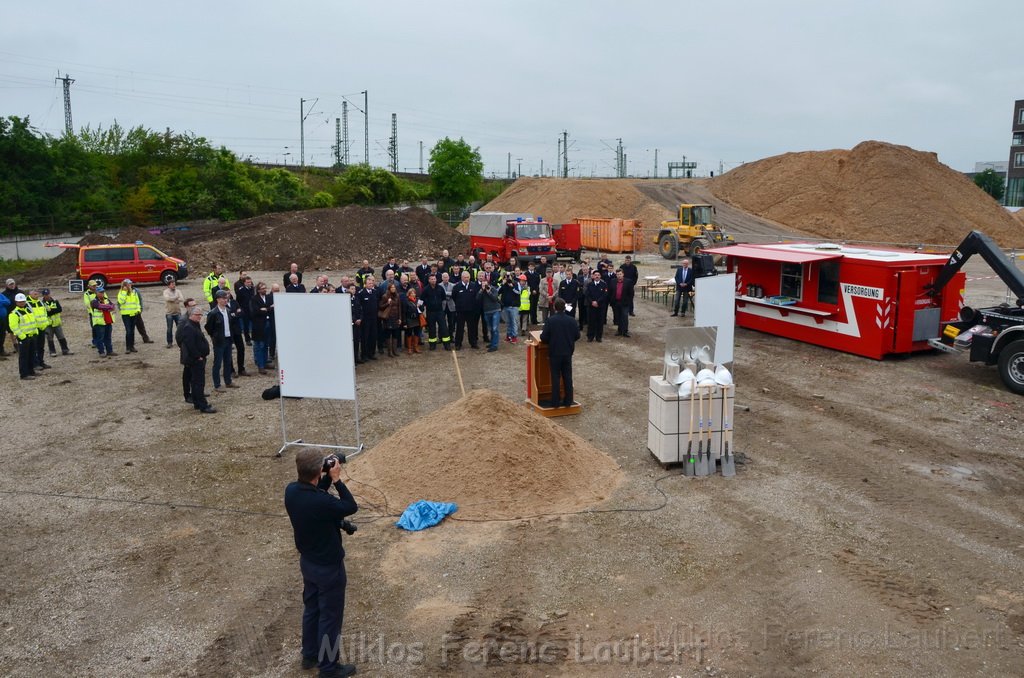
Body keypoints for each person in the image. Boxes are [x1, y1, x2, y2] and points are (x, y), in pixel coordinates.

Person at [284, 448, 358, 677]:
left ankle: (310, 654)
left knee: (312, 608)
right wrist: (336, 479)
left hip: (308, 562)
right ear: (318, 471)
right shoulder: (322, 502)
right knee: (330, 617)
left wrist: (324, 478)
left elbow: (316, 495)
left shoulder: (292, 491)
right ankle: (329, 667)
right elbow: (349, 506)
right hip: (329, 568)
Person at [539, 298, 580, 408]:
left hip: (555, 352)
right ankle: (568, 401)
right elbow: (577, 336)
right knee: (567, 377)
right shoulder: (571, 320)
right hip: (567, 352)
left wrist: (551, 341)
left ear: (554, 308)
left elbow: (543, 337)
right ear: (564, 307)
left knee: (555, 377)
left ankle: (555, 402)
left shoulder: (551, 321)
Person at [179, 305, 216, 413]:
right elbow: (190, 344)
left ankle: (197, 402)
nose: (200, 317)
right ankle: (203, 405)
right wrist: (198, 356)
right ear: (191, 315)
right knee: (198, 383)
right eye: (198, 315)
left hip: (198, 358)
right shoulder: (188, 327)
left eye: (201, 314)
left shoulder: (194, 325)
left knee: (196, 382)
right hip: (195, 360)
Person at [205, 290, 239, 392]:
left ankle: (228, 381)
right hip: (219, 341)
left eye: (226, 298)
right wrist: (215, 336)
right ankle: (217, 384)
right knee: (218, 363)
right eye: (223, 298)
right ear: (218, 299)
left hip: (228, 339)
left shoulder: (227, 311)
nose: (225, 300)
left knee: (228, 361)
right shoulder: (213, 313)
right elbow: (209, 328)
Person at [8, 293, 39, 379]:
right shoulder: (14, 313)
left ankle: (31, 371)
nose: (22, 303)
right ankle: (24, 374)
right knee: (24, 356)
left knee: (32, 354)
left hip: (32, 335)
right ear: (16, 302)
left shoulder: (28, 309)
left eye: (23, 301)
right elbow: (14, 327)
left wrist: (35, 331)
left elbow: (33, 321)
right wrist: (22, 336)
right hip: (24, 337)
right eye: (20, 302)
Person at [420, 274, 451, 351]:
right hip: (430, 312)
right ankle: (432, 345)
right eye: (431, 279)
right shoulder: (425, 289)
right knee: (431, 329)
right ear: (429, 280)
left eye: (434, 279)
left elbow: (444, 298)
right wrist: (420, 308)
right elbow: (421, 300)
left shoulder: (440, 288)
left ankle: (447, 344)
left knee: (444, 328)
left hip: (440, 312)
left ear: (436, 279)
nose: (433, 280)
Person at [452, 270, 480, 350]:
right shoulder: (457, 287)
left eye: (468, 277)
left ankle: (473, 343)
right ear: (461, 278)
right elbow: (454, 297)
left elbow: (476, 297)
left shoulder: (473, 285)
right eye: (465, 277)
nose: (466, 279)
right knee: (460, 328)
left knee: (472, 328)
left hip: (471, 311)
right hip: (461, 311)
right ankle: (458, 344)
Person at [41, 289, 73, 357]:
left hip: (57, 323)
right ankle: (52, 351)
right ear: (43, 295)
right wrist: (53, 311)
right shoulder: (41, 304)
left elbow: (59, 309)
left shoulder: (55, 301)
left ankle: (65, 350)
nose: (47, 296)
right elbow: (45, 313)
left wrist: (51, 311)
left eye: (48, 294)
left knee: (61, 337)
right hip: (48, 324)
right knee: (50, 338)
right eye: (45, 295)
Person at [250, 282, 273, 374]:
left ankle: (265, 361)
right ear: (258, 290)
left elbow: (272, 307)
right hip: (259, 325)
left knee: (266, 344)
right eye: (263, 288)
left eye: (265, 288)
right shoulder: (254, 299)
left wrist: (264, 309)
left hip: (268, 323)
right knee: (260, 345)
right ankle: (261, 365)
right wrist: (268, 309)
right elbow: (255, 312)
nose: (265, 289)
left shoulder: (268, 297)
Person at [25, 289, 51, 370]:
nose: (36, 295)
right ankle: (35, 364)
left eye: (37, 294)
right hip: (34, 329)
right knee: (34, 348)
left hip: (42, 328)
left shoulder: (40, 302)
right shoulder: (27, 304)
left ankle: (41, 362)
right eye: (34, 294)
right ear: (30, 295)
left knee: (41, 347)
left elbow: (45, 313)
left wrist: (46, 323)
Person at [355, 275, 379, 361]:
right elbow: (359, 306)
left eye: (372, 283)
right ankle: (364, 355)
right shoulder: (361, 293)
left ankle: (371, 353)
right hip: (365, 320)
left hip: (374, 319)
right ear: (365, 284)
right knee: (365, 337)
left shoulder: (375, 292)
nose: (370, 284)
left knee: (373, 337)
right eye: (369, 283)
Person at [117, 279, 143, 353]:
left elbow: (137, 302)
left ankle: (132, 346)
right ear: (124, 285)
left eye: (130, 284)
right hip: (126, 315)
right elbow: (121, 301)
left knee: (132, 331)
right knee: (128, 331)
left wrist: (138, 310)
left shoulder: (134, 292)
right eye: (128, 284)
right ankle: (128, 347)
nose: (130, 285)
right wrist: (124, 292)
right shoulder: (121, 293)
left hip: (134, 314)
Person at [90, 286, 117, 357]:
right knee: (100, 338)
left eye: (103, 292)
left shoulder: (106, 299)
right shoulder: (94, 301)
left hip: (108, 321)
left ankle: (109, 351)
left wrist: (108, 307)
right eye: (100, 292)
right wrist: (108, 307)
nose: (102, 293)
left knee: (108, 337)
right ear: (96, 293)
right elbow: (100, 306)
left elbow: (113, 306)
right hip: (99, 322)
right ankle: (101, 352)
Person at [584, 269, 608, 343]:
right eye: (595, 275)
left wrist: (597, 302)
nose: (597, 276)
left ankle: (598, 337)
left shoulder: (604, 285)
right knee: (591, 322)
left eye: (598, 275)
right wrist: (592, 302)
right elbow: (587, 295)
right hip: (591, 306)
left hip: (600, 306)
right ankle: (590, 336)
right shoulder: (589, 284)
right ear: (593, 276)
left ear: (600, 276)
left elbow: (605, 295)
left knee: (600, 322)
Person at [609, 269, 635, 338]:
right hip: (616, 302)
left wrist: (629, 302)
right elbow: (610, 292)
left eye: (620, 274)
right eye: (617, 274)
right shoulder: (612, 281)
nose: (619, 276)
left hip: (624, 303)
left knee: (624, 316)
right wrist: (611, 301)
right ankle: (619, 330)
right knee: (618, 317)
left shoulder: (628, 282)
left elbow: (631, 293)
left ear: (623, 274)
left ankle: (625, 331)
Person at [478, 275, 501, 352]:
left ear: (488, 283)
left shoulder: (493, 289)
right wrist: (482, 290)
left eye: (485, 284)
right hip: (487, 311)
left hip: (495, 310)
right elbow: (477, 298)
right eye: (483, 284)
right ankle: (492, 342)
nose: (484, 285)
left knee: (495, 328)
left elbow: (495, 299)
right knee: (490, 328)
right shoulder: (481, 291)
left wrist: (489, 292)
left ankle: (495, 345)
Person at [379, 283, 402, 357]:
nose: (393, 289)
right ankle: (389, 352)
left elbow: (399, 308)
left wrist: (399, 318)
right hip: (388, 318)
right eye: (391, 287)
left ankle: (394, 350)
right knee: (388, 335)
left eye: (394, 287)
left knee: (395, 335)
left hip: (395, 317)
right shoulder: (385, 296)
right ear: (389, 289)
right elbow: (380, 307)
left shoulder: (397, 296)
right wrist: (387, 303)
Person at [499, 273, 521, 343]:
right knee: (508, 322)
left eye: (509, 276)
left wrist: (512, 287)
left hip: (513, 306)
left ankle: (514, 336)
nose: (508, 278)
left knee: (513, 322)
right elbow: (498, 292)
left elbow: (519, 292)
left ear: (512, 277)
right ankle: (509, 335)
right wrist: (502, 284)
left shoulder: (516, 283)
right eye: (506, 276)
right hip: (505, 306)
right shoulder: (504, 284)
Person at [163, 279, 185, 348]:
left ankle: (181, 341)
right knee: (169, 329)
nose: (174, 285)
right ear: (169, 285)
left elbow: (182, 299)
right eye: (172, 284)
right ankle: (169, 342)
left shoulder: (178, 291)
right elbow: (167, 299)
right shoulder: (165, 292)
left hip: (178, 313)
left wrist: (173, 299)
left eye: (174, 284)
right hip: (169, 313)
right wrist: (176, 297)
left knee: (180, 328)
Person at [401, 287, 423, 354]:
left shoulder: (418, 300)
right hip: (409, 319)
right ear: (409, 294)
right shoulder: (406, 301)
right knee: (409, 333)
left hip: (417, 319)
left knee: (417, 333)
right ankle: (409, 348)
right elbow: (404, 312)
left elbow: (422, 309)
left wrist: (420, 306)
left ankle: (416, 347)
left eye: (414, 293)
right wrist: (404, 322)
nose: (413, 294)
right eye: (412, 293)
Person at [234, 274, 255, 345]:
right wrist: (240, 309)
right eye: (248, 282)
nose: (249, 284)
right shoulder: (241, 290)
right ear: (244, 283)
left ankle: (254, 337)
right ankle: (247, 340)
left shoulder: (252, 288)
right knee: (246, 326)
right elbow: (238, 301)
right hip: (245, 310)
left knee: (254, 324)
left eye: (250, 282)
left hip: (252, 310)